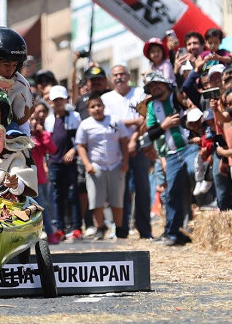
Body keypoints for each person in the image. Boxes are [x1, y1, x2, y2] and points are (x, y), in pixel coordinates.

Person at [144, 71, 196, 246]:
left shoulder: (177, 96)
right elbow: (151, 133)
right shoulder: (152, 106)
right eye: (151, 87)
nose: (155, 88)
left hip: (189, 146)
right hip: (172, 154)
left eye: (157, 84)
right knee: (172, 192)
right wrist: (164, 125)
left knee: (193, 171)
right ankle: (173, 233)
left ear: (165, 84)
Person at [101, 65, 152, 239]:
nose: (119, 77)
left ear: (129, 75)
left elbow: (145, 118)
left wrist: (133, 138)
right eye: (115, 75)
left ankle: (145, 230)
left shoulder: (139, 93)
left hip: (138, 145)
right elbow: (110, 123)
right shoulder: (106, 98)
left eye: (122, 74)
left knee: (142, 189)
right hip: (116, 149)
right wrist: (133, 122)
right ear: (111, 77)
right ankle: (121, 230)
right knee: (120, 191)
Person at [75, 93, 130, 240]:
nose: (97, 109)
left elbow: (124, 142)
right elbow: (80, 146)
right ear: (88, 110)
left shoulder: (115, 120)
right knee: (96, 200)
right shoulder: (85, 125)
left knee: (117, 199)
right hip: (96, 166)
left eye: (99, 105)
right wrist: (87, 164)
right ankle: (99, 227)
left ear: (103, 106)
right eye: (93, 107)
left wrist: (125, 162)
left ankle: (119, 228)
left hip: (115, 165)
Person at [44, 85, 83, 241]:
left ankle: (77, 228)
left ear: (66, 99)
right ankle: (59, 228)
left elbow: (80, 138)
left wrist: (74, 151)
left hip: (71, 162)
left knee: (73, 195)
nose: (59, 102)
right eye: (56, 100)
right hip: (54, 162)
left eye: (61, 99)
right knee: (57, 196)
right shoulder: (49, 120)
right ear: (51, 102)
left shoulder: (75, 117)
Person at [30, 103, 59, 243]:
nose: (34, 122)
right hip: (24, 179)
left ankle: (50, 233)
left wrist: (41, 135)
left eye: (37, 120)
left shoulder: (42, 135)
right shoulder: (22, 136)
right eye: (32, 119)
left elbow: (52, 149)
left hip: (39, 179)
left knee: (43, 207)